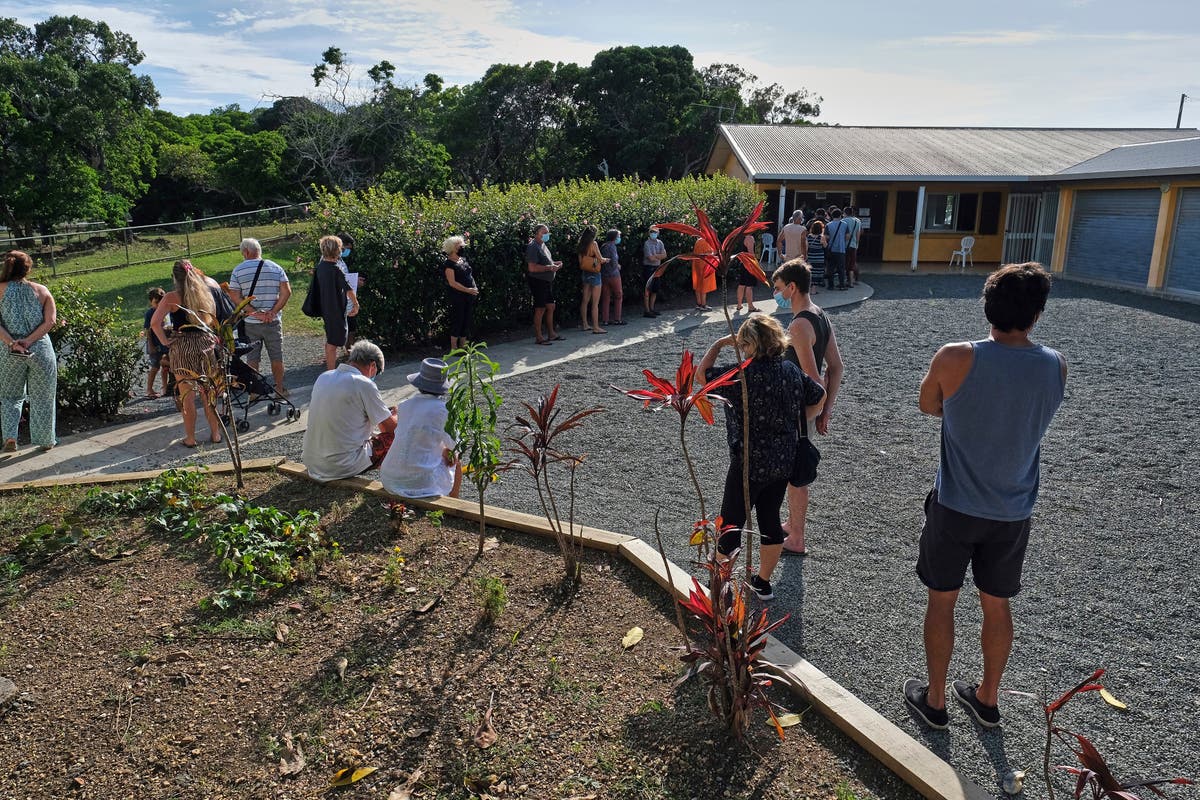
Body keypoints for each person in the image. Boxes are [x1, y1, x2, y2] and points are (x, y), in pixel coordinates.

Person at [903, 263, 1066, 731]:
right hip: (1014, 509)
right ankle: (987, 698)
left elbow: (927, 404)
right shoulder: (1055, 364)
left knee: (942, 599)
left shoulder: (955, 357)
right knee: (997, 603)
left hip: (955, 504)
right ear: (1037, 314)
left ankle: (935, 701)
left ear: (988, 308)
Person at [699, 315, 825, 601]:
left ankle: (721, 584)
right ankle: (763, 583)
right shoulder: (790, 371)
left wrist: (718, 345)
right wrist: (798, 421)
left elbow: (701, 376)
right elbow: (818, 393)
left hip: (748, 463)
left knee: (731, 522)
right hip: (782, 460)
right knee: (770, 519)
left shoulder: (739, 375)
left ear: (747, 344)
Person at [772, 259, 845, 555]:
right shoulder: (821, 315)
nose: (776, 294)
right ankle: (792, 524)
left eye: (778, 289)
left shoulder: (799, 324)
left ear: (792, 287)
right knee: (796, 475)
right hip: (808, 412)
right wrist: (825, 411)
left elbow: (814, 380)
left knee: (795, 476)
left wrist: (811, 413)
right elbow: (837, 368)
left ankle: (797, 538)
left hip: (797, 413)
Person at [150, 260, 225, 447]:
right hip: (205, 343)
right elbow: (212, 320)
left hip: (182, 345)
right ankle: (215, 434)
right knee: (209, 393)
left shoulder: (171, 297)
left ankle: (191, 438)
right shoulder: (205, 294)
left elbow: (154, 323)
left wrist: (165, 341)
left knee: (187, 396)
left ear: (175, 277)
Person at [302, 339, 398, 482]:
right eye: (376, 372)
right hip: (340, 466)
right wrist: (396, 415)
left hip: (312, 463)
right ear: (372, 365)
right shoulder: (363, 384)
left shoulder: (324, 377)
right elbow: (390, 429)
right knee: (397, 437)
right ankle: (397, 478)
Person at [380, 358, 463, 499]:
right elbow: (456, 446)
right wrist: (446, 450)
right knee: (456, 458)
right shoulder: (444, 410)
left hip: (389, 478)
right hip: (419, 484)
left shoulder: (404, 405)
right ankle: (454, 500)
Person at [0, 250, 57, 452]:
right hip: (40, 349)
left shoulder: (0, 289)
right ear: (28, 268)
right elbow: (50, 321)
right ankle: (45, 440)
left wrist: (12, 343)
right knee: (44, 395)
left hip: (9, 352)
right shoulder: (42, 290)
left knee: (9, 395)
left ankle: (10, 437)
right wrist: (29, 340)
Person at [228, 238, 292, 397]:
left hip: (251, 322)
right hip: (273, 321)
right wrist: (272, 312)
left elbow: (234, 296)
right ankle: (279, 389)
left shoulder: (238, 270)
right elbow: (286, 292)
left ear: (246, 252)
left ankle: (254, 391)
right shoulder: (275, 267)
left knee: (252, 357)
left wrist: (254, 313)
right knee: (277, 356)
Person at [314, 235, 358, 370]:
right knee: (333, 342)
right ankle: (331, 372)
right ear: (337, 250)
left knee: (332, 339)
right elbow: (348, 288)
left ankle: (331, 370)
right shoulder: (335, 268)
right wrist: (355, 303)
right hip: (336, 307)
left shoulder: (321, 267)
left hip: (327, 306)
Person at [526, 223, 563, 345]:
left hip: (547, 281)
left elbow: (547, 262)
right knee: (540, 308)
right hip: (538, 281)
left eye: (547, 232)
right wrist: (549, 268)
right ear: (536, 233)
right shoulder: (533, 246)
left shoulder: (543, 245)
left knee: (551, 306)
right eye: (543, 232)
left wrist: (555, 263)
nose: (546, 235)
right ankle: (539, 337)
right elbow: (532, 268)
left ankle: (551, 334)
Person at [443, 235, 479, 350]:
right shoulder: (449, 264)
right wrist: (467, 289)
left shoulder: (462, 259)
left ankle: (463, 346)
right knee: (457, 320)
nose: (463, 248)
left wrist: (474, 287)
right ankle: (454, 348)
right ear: (453, 248)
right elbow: (452, 282)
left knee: (466, 320)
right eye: (460, 246)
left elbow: (469, 274)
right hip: (458, 297)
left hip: (469, 296)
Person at [334, 232, 363, 353]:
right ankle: (349, 353)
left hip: (347, 302)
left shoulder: (340, 260)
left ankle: (350, 353)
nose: (347, 252)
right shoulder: (332, 262)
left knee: (351, 328)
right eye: (346, 249)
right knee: (345, 329)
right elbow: (341, 282)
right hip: (341, 302)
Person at [576, 226, 607, 334]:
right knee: (595, 303)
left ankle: (585, 324)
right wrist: (606, 260)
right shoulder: (593, 244)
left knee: (585, 300)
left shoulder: (581, 244)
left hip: (585, 272)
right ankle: (596, 327)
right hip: (595, 272)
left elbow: (581, 262)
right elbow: (600, 259)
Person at [142, 287, 169, 399]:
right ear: (151, 301)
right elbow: (148, 330)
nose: (159, 305)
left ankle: (165, 387)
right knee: (155, 366)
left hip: (164, 343)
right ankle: (149, 389)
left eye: (161, 302)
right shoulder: (150, 313)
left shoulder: (166, 311)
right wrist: (151, 345)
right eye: (156, 302)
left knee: (166, 365)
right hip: (155, 343)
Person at [598, 228, 625, 326]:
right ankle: (617, 319)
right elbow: (614, 261)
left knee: (606, 297)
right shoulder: (612, 246)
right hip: (614, 275)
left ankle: (605, 320)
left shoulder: (604, 246)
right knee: (618, 296)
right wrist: (617, 266)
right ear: (614, 237)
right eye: (618, 236)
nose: (619, 238)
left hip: (604, 274)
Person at [642, 225, 666, 318]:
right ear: (649, 232)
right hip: (648, 268)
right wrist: (658, 256)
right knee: (647, 289)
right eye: (652, 231)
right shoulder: (647, 244)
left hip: (657, 268)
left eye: (655, 232)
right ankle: (647, 310)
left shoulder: (660, 243)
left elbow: (664, 255)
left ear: (658, 233)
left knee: (655, 290)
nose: (654, 233)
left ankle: (652, 308)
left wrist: (656, 256)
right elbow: (650, 258)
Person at [823, 208, 851, 291]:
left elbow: (826, 237)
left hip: (831, 249)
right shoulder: (845, 224)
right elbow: (848, 236)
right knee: (841, 268)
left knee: (830, 268)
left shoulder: (828, 225)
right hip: (841, 249)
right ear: (840, 215)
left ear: (832, 215)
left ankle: (830, 285)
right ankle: (842, 285)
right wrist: (841, 239)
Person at [735, 233, 760, 313]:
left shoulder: (741, 236)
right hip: (749, 264)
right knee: (749, 286)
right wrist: (756, 265)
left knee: (742, 284)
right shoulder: (750, 238)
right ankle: (750, 307)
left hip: (743, 263)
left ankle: (739, 305)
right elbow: (751, 254)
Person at [691, 237, 716, 311]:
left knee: (698, 284)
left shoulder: (698, 241)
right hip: (704, 265)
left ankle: (699, 304)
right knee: (703, 285)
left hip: (697, 265)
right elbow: (708, 254)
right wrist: (714, 252)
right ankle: (703, 305)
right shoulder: (705, 241)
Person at [843, 207, 862, 288]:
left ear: (845, 213)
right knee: (852, 263)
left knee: (844, 263)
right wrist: (857, 244)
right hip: (853, 245)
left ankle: (845, 280)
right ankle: (851, 281)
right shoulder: (857, 221)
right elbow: (858, 234)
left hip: (844, 245)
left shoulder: (843, 221)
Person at [806, 220, 827, 288]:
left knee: (811, 272)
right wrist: (823, 233)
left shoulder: (809, 236)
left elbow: (807, 247)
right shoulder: (821, 237)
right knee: (818, 272)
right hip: (819, 257)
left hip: (811, 256)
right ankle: (814, 289)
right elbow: (825, 246)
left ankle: (809, 287)